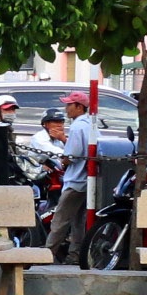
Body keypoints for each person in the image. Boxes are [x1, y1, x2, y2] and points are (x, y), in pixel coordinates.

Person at [50, 95, 100, 265]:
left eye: (69, 105)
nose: (66, 109)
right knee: (78, 221)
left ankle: (47, 254)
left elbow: (71, 156)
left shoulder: (77, 127)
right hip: (87, 179)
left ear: (79, 107)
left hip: (76, 180)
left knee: (60, 220)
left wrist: (63, 160)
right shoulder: (91, 124)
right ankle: (75, 255)